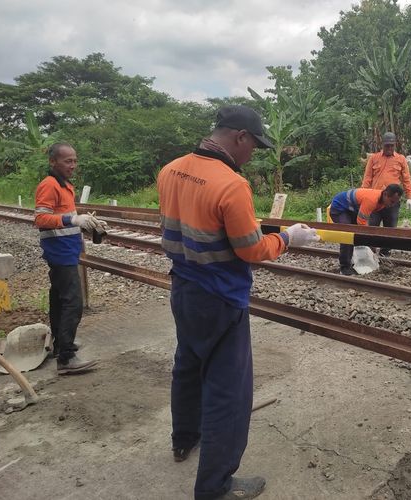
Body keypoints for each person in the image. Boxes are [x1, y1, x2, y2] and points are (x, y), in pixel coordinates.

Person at [157, 105, 319, 500]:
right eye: (255, 146)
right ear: (240, 137)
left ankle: (184, 439)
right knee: (228, 393)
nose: (254, 154)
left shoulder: (171, 169)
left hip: (183, 287)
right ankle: (215, 487)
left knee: (188, 366)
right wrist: (288, 238)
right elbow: (250, 249)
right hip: (220, 298)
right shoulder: (231, 184)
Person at [34, 143, 106, 375]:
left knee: (59, 299)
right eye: (67, 161)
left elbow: (64, 218)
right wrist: (72, 220)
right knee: (73, 302)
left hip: (66, 250)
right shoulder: (49, 185)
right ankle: (66, 358)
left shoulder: (66, 186)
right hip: (60, 253)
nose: (72, 165)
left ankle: (60, 346)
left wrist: (87, 225)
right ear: (53, 162)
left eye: (74, 160)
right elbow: (41, 218)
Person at [328, 185, 403, 275]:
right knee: (347, 235)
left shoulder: (382, 202)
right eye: (392, 201)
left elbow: (366, 219)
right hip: (339, 208)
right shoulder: (372, 200)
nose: (392, 205)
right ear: (386, 194)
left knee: (357, 237)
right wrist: (370, 243)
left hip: (351, 209)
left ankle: (355, 261)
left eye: (395, 202)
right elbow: (362, 224)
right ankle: (345, 267)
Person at [361, 132, 411, 256]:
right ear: (382, 145)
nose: (389, 148)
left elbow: (407, 179)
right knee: (371, 227)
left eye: (391, 146)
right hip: (375, 200)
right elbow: (367, 178)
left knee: (390, 228)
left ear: (395, 145)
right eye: (387, 146)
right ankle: (369, 252)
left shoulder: (401, 159)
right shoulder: (374, 158)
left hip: (392, 201)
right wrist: (363, 195)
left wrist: (409, 197)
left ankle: (385, 253)